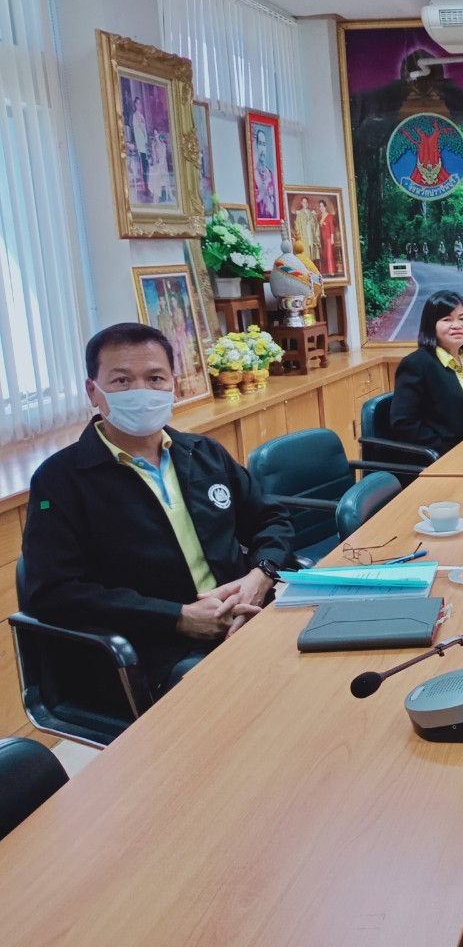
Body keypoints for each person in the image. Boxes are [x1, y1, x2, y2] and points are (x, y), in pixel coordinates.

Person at [21, 323, 294, 696]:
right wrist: (178, 618)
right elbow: (54, 592)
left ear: (173, 387)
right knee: (251, 694)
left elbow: (271, 519)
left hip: (249, 614)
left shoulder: (203, 453)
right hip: (158, 650)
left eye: (154, 378)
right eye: (122, 381)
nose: (141, 392)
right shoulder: (60, 480)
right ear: (93, 392)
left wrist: (260, 577)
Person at [389, 290, 463, 458]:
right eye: (447, 320)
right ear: (431, 325)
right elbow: (404, 423)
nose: (457, 325)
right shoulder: (417, 364)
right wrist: (448, 453)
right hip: (448, 456)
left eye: (462, 318)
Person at [294, 196, 321, 264]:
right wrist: (298, 238)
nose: (305, 204)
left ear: (308, 203)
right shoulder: (299, 214)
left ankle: (312, 265)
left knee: (312, 252)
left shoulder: (312, 213)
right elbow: (297, 227)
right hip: (304, 236)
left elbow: (316, 225)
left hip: (311, 235)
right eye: (304, 202)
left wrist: (316, 236)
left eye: (306, 202)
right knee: (305, 253)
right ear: (301, 203)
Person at [317, 199, 339, 276]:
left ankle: (331, 271)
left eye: (323, 206)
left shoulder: (330, 216)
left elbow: (332, 228)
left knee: (330, 255)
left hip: (329, 238)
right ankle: (326, 271)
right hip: (322, 239)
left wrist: (332, 238)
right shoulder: (319, 216)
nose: (321, 208)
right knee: (325, 256)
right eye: (320, 206)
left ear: (325, 207)